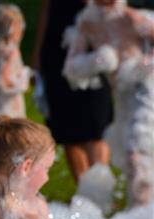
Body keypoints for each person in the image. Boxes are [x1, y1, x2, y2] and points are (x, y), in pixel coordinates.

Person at [63, 0, 154, 207]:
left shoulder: (131, 18)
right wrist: (97, 60)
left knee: (137, 154)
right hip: (122, 96)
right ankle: (140, 218)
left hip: (146, 90)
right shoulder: (87, 22)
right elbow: (71, 68)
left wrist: (139, 67)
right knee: (132, 159)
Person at [32, 0, 112, 185]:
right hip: (57, 46)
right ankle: (84, 192)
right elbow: (47, 7)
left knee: (97, 124)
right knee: (67, 125)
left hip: (93, 49)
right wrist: (38, 51)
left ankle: (101, 191)